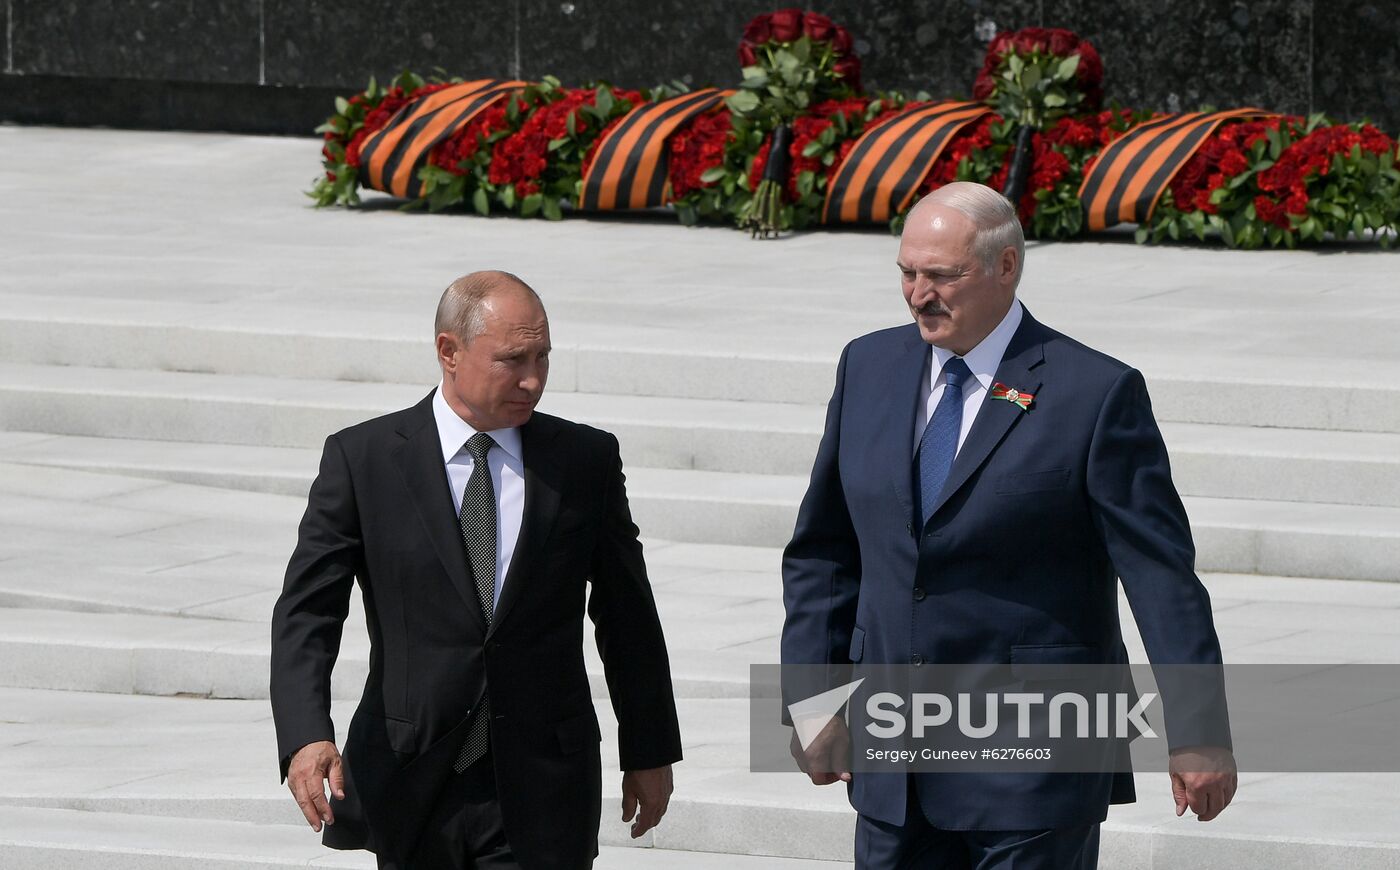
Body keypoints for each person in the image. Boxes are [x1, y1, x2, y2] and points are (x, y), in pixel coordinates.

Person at [781, 182, 1237, 869]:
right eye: (907, 273)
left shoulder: (1094, 394)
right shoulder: (868, 366)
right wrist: (813, 699)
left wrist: (1198, 730)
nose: (918, 294)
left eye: (941, 275)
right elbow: (825, 551)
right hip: (894, 763)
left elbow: (1159, 574)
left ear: (1005, 267)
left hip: (1036, 766)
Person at [270, 271, 682, 870]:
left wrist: (648, 748)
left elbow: (627, 615)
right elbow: (309, 610)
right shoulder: (364, 460)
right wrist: (306, 735)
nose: (534, 379)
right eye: (513, 360)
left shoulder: (583, 462)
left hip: (543, 783)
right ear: (449, 351)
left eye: (543, 357)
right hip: (411, 776)